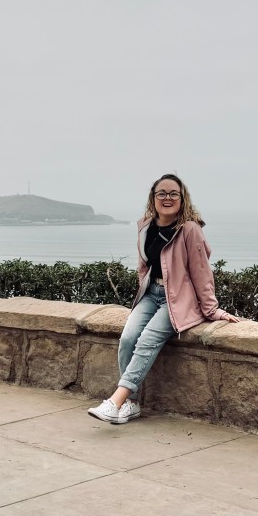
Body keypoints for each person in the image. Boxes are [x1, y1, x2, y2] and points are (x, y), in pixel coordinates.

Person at [88, 173, 240, 425]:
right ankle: (132, 405)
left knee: (147, 340)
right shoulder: (146, 226)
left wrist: (213, 311)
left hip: (178, 300)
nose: (167, 198)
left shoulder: (190, 230)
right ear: (153, 198)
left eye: (173, 194)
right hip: (151, 295)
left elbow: (202, 272)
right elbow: (143, 267)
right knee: (127, 339)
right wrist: (144, 290)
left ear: (182, 199)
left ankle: (116, 401)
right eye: (162, 193)